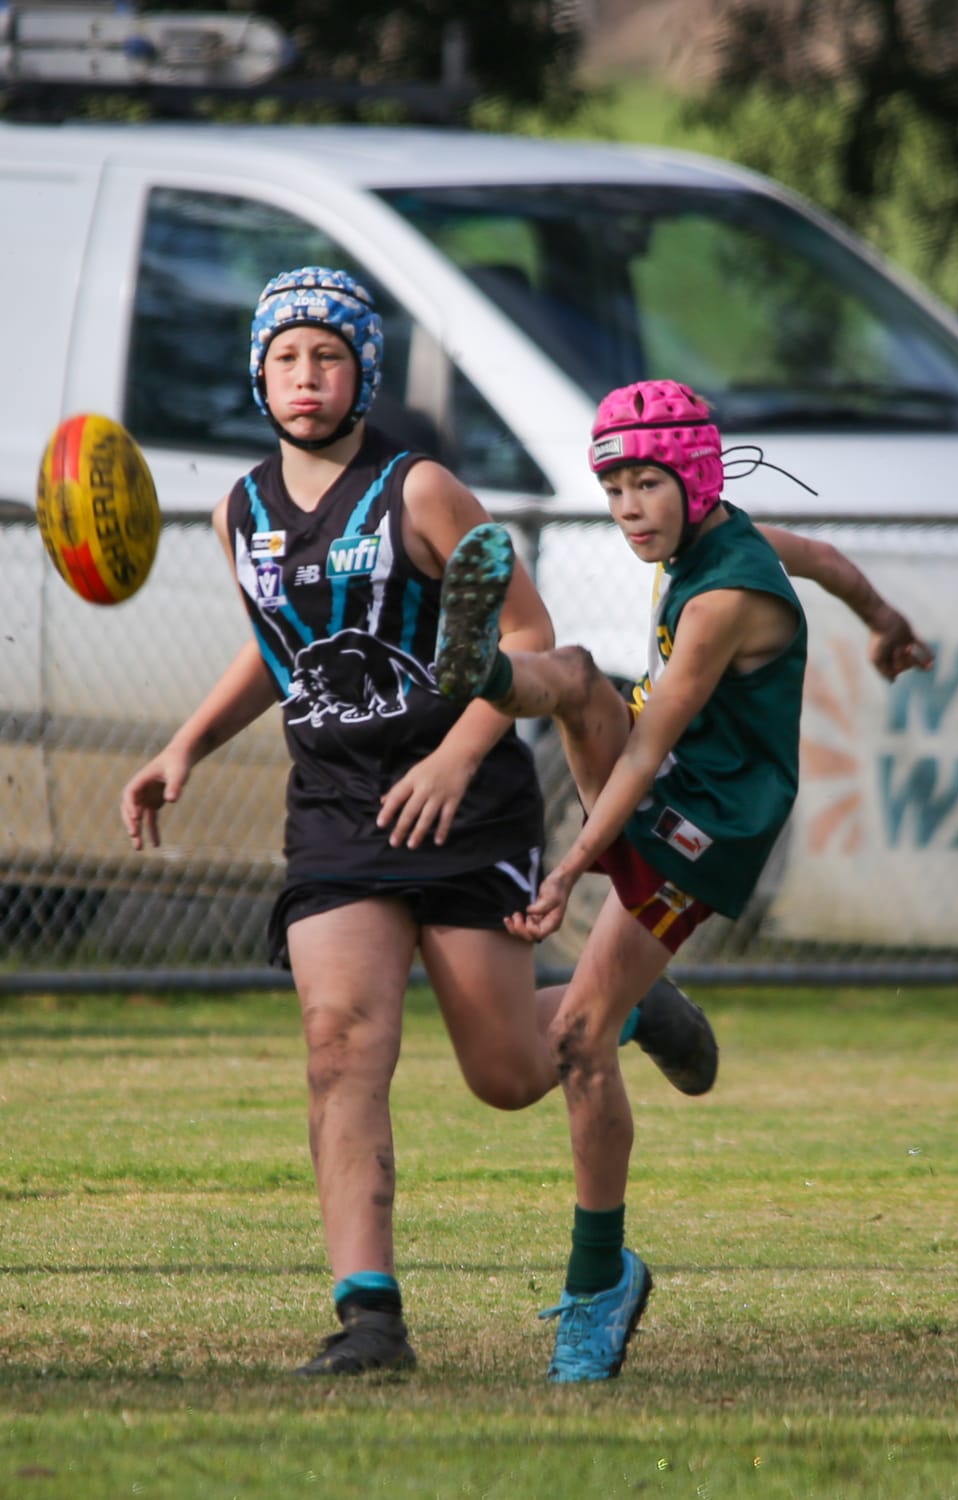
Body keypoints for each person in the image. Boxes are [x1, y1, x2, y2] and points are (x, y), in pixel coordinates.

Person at [118, 270, 716, 1379]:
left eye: (329, 356)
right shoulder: (239, 511)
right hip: (337, 807)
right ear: (259, 375)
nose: (307, 376)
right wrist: (184, 745)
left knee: (505, 1072)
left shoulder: (422, 491)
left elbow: (529, 638)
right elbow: (284, 644)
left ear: (364, 374)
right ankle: (370, 1321)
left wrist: (454, 754)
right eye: (286, 357)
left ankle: (627, 1007)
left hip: (465, 801)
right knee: (339, 1043)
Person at [433, 378, 933, 1383]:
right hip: (665, 782)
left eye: (647, 484)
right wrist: (884, 622)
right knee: (577, 674)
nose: (628, 508)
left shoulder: (718, 600)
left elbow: (646, 749)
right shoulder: (718, 537)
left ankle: (599, 1285)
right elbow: (825, 557)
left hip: (707, 827)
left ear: (695, 478)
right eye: (613, 488)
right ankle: (485, 673)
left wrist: (568, 868)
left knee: (574, 1037)